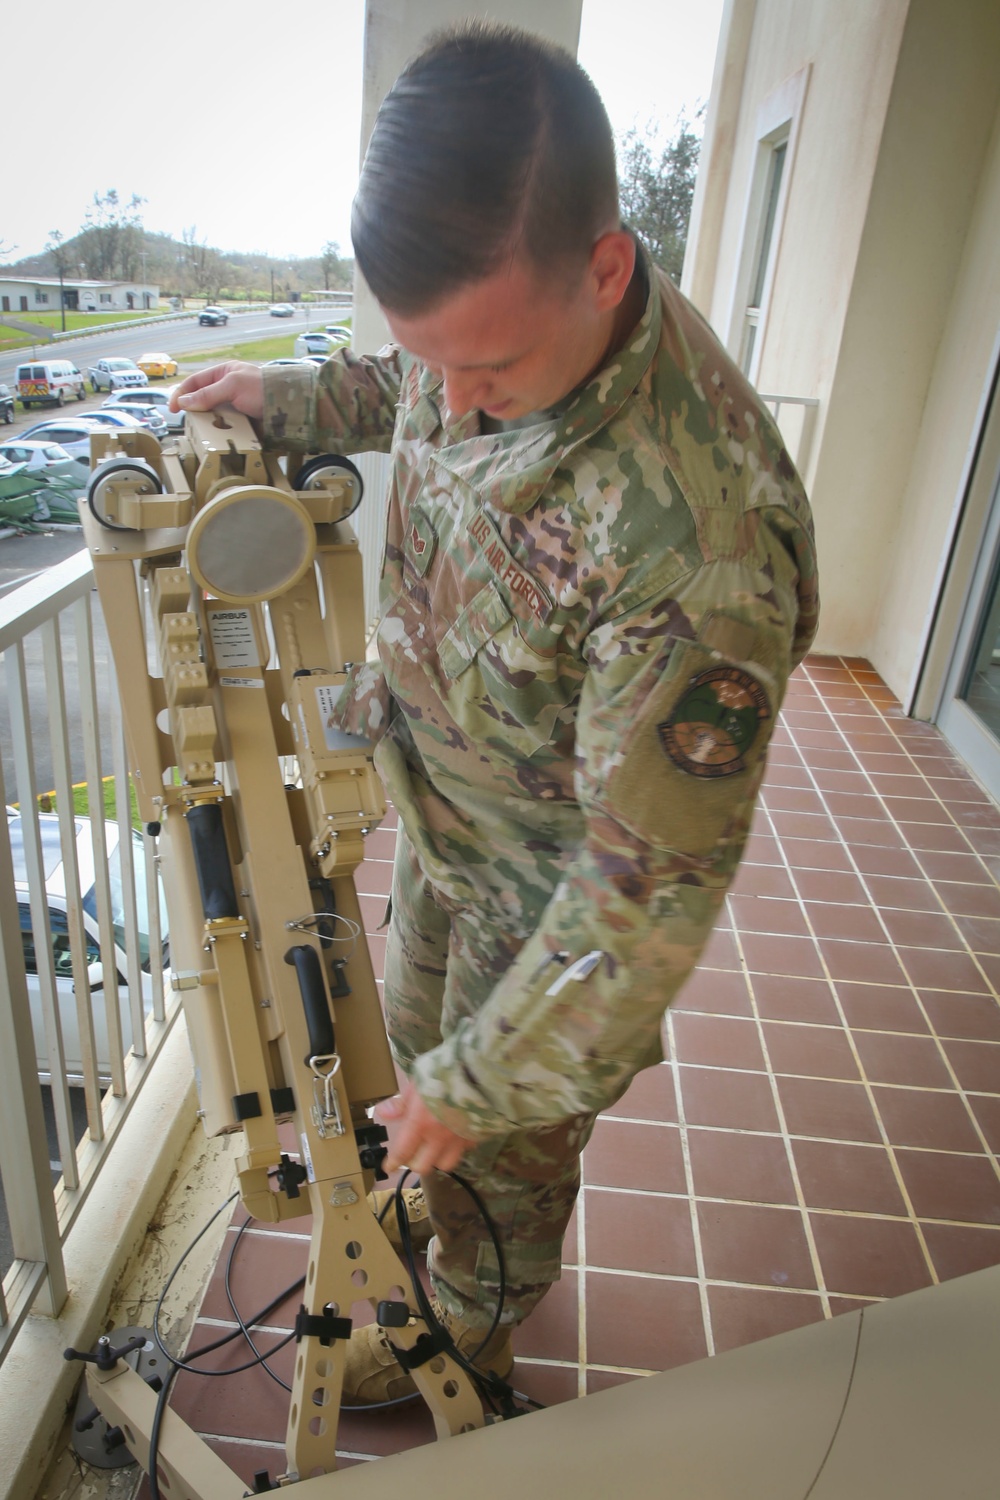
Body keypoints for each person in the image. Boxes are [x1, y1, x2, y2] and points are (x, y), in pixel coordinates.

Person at [172, 20, 819, 1405]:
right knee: (419, 1068)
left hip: (557, 905)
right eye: (435, 364)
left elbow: (642, 903)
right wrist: (282, 397)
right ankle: (436, 1212)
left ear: (606, 268)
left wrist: (488, 1077)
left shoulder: (695, 550)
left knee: (497, 1147)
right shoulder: (507, 318)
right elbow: (416, 371)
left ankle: (471, 1331)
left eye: (492, 377)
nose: (456, 408)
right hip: (454, 811)